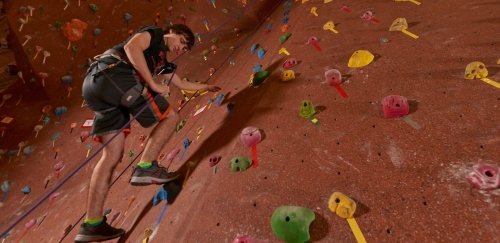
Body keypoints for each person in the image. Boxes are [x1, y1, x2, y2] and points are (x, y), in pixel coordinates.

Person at [76, 24, 221, 242]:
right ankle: (145, 167)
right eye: (182, 42)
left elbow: (181, 83)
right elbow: (133, 47)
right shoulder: (155, 35)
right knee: (171, 117)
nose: (182, 48)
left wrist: (206, 87)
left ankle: (92, 224)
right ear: (172, 32)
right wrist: (152, 83)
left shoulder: (162, 63)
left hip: (96, 86)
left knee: (111, 156)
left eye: (186, 48)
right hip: (114, 73)